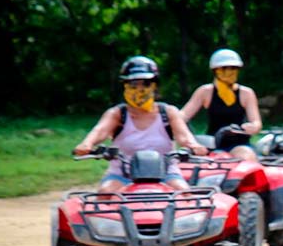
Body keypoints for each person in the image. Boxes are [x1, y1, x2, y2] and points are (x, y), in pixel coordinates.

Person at [74, 56, 205, 193]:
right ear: (125, 86)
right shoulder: (117, 114)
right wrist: (87, 144)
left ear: (155, 85)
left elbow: (184, 136)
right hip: (122, 175)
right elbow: (99, 131)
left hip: (166, 174)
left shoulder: (168, 112)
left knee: (184, 194)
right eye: (133, 84)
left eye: (146, 84)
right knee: (105, 194)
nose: (139, 89)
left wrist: (194, 146)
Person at [179, 48, 263, 162]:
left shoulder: (246, 93)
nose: (229, 72)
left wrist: (252, 127)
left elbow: (257, 123)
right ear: (215, 71)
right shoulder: (205, 91)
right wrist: (171, 120)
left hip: (239, 144)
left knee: (245, 156)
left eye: (233, 68)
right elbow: (182, 116)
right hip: (212, 144)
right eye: (224, 68)